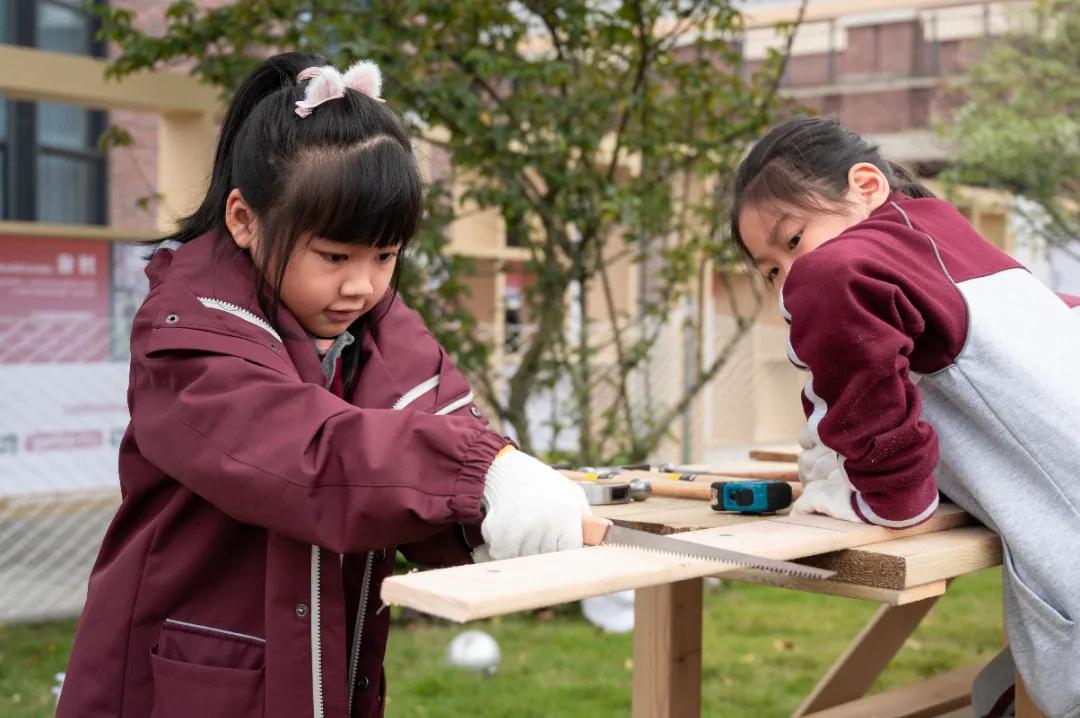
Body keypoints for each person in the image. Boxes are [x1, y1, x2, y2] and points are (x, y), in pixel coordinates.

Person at [56, 52, 590, 718]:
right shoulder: (188, 338)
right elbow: (310, 457)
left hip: (323, 678)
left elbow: (437, 455)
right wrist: (479, 473)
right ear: (244, 219)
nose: (361, 284)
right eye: (334, 256)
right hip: (182, 689)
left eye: (385, 256)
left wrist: (499, 520)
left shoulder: (379, 332)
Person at [729, 116, 1080, 717]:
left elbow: (899, 498)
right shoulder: (954, 246)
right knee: (991, 695)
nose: (790, 278)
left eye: (793, 241)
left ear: (866, 186)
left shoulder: (839, 270)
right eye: (771, 272)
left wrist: (880, 495)